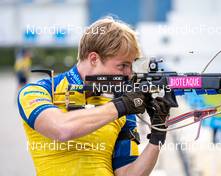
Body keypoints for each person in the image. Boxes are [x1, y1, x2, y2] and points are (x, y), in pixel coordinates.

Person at [17, 17, 172, 176]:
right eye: (123, 66)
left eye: (131, 67)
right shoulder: (37, 91)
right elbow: (61, 129)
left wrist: (157, 136)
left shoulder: (121, 105)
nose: (129, 74)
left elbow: (126, 173)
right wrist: (121, 106)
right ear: (93, 59)